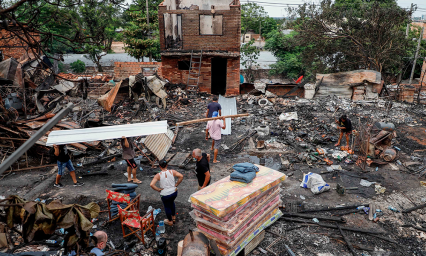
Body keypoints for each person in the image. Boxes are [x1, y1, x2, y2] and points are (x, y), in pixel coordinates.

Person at [150, 159, 183, 226]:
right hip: (174, 192)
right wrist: (176, 184)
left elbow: (151, 184)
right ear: (167, 165)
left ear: (160, 166)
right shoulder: (172, 171)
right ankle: (173, 217)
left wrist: (158, 189)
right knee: (172, 203)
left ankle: (170, 221)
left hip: (165, 195)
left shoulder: (158, 175)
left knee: (167, 206)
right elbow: (181, 176)